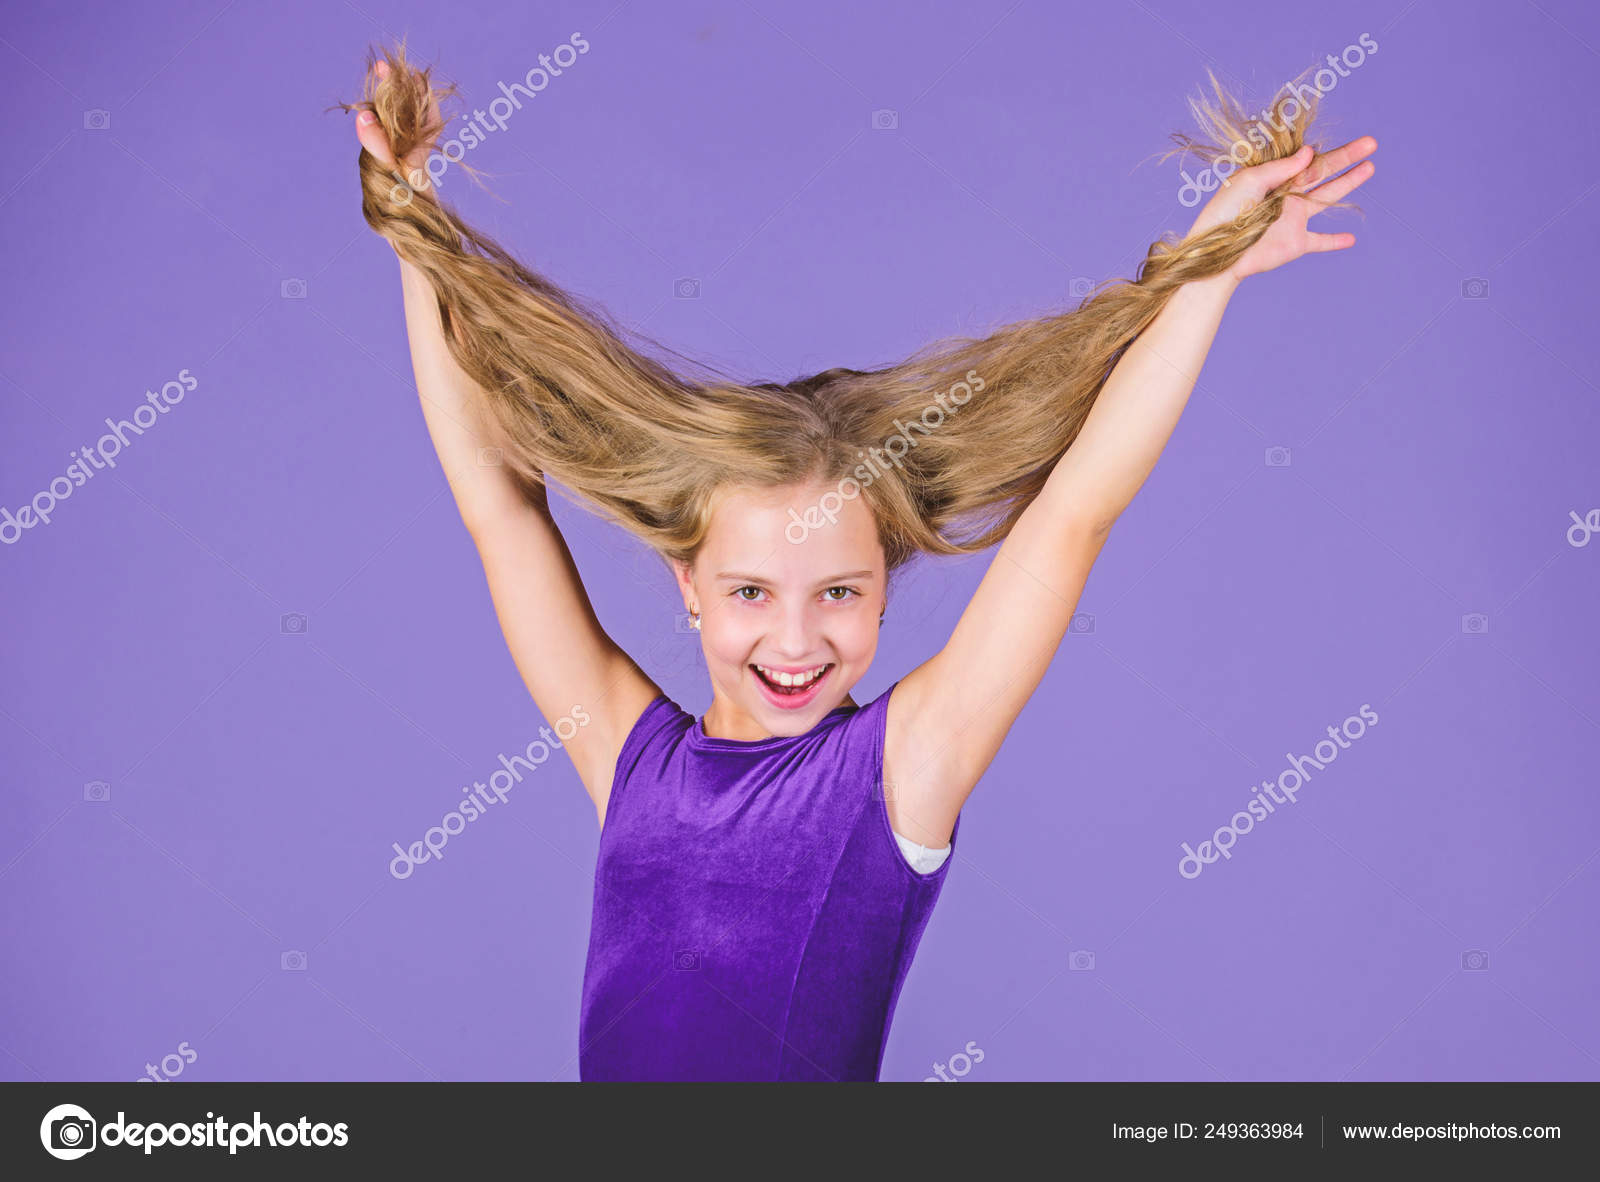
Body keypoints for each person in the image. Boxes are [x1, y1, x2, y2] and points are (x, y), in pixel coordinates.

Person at [346, 47, 1375, 1080]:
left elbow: (1073, 516)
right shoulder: (628, 761)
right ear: (688, 589)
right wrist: (413, 224)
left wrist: (1210, 267)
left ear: (883, 593)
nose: (795, 638)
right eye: (752, 591)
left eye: (838, 593)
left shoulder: (896, 776)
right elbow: (499, 505)